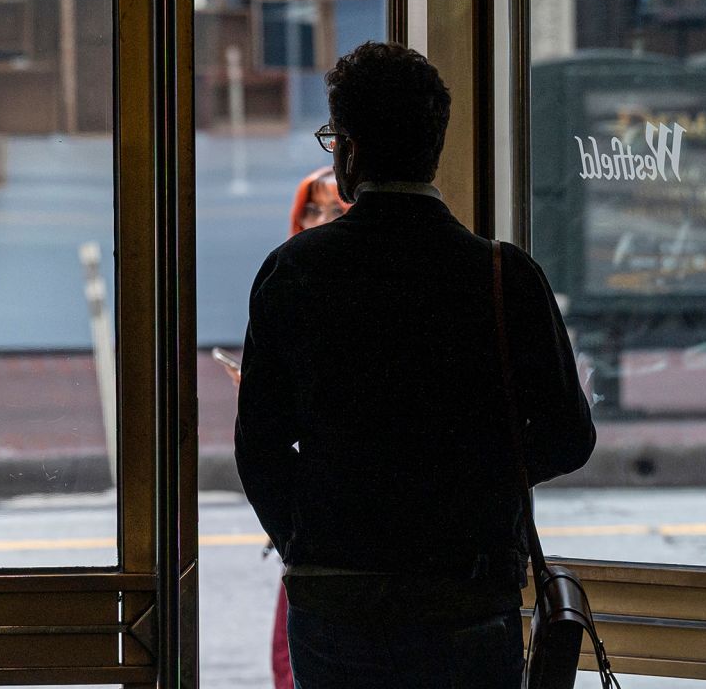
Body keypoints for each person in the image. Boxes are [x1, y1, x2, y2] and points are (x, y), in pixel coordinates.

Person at [234, 42, 596, 688]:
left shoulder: (294, 273)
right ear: (435, 146)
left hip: (337, 600)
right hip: (466, 595)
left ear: (346, 150)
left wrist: (311, 541)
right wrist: (485, 477)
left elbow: (259, 445)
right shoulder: (504, 275)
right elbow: (570, 436)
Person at [220, 167, 352, 689]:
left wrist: (299, 536)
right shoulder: (293, 282)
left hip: (327, 541)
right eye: (311, 211)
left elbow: (260, 444)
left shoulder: (291, 276)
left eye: (333, 210)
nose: (318, 221)